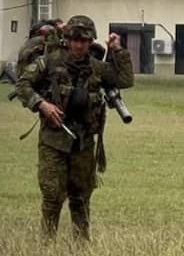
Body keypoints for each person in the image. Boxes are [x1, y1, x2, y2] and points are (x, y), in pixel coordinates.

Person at [14, 15, 134, 240]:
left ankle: (80, 247)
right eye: (75, 40)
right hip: (53, 140)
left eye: (85, 41)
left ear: (91, 43)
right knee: (52, 196)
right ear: (67, 40)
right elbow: (23, 83)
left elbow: (125, 80)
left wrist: (117, 50)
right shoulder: (50, 62)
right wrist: (42, 105)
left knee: (80, 198)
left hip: (83, 141)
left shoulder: (96, 67)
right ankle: (46, 245)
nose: (79, 45)